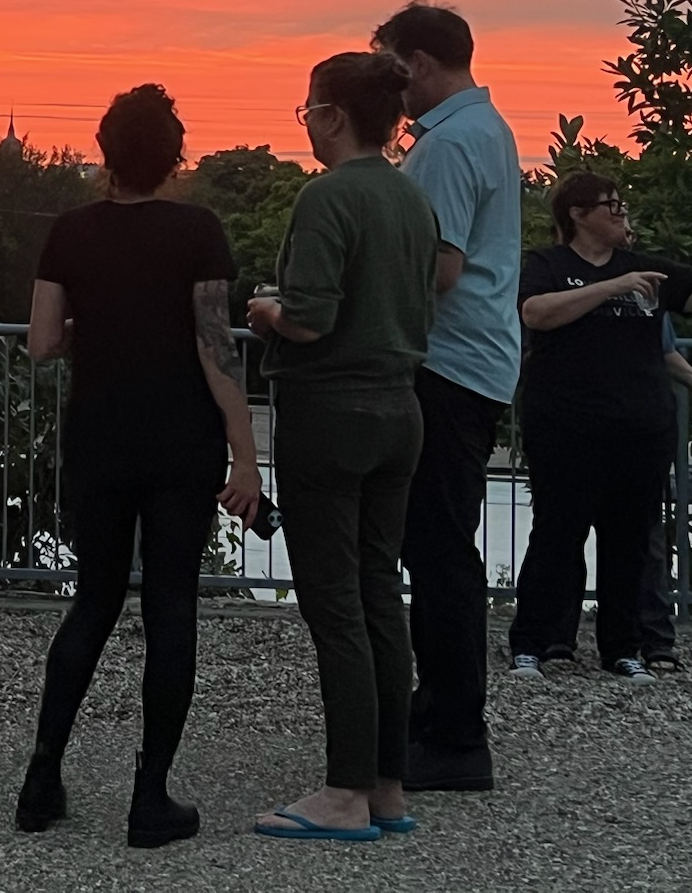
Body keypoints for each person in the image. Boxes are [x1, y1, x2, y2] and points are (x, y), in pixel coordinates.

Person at [16, 84, 262, 850]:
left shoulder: (70, 232)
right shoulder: (198, 232)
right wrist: (246, 455)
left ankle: (42, 777)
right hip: (179, 442)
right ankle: (149, 797)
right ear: (174, 156)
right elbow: (214, 348)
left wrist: (100, 324)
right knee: (171, 610)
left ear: (104, 152)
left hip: (98, 437)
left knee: (93, 603)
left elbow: (41, 340)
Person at [506, 174, 692, 684]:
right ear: (577, 213)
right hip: (565, 427)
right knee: (557, 536)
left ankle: (623, 650)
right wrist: (613, 287)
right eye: (610, 205)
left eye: (623, 204)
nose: (622, 213)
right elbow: (536, 313)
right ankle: (532, 644)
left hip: (640, 428)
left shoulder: (647, 268)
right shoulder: (549, 266)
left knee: (628, 541)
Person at [247, 52, 436, 843]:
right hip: (401, 406)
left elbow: (313, 316)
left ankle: (344, 792)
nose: (309, 125)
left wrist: (265, 309)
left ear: (330, 115)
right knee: (379, 594)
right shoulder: (410, 196)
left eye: (308, 111)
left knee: (335, 607)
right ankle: (388, 786)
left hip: (332, 411)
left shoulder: (327, 197)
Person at [371, 2, 520, 794]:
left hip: (448, 365)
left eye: (396, 70)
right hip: (478, 364)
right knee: (441, 547)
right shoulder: (485, 130)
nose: (393, 90)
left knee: (437, 554)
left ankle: (457, 737)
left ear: (420, 64)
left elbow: (439, 266)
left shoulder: (447, 145)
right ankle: (438, 712)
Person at [529, 317, 692, 676]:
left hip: (634, 431)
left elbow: (662, 351)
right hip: (575, 426)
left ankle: (647, 640)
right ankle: (555, 637)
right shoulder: (562, 290)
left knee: (639, 539)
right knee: (564, 534)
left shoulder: (646, 301)